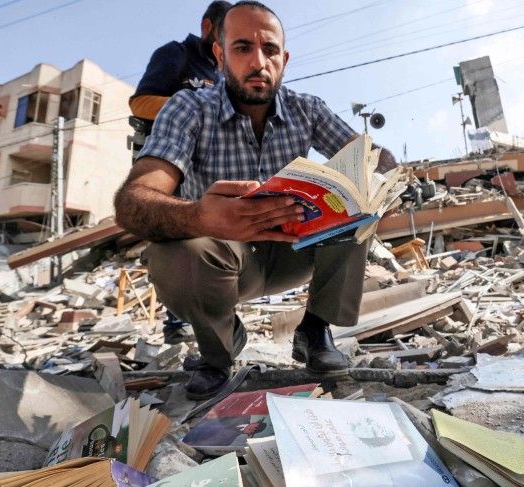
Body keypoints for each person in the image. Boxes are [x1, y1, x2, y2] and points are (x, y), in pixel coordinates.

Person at [114, 1, 395, 400]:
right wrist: (200, 217)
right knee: (174, 255)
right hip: (224, 258)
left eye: (270, 50)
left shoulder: (307, 109)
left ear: (285, 58)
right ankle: (220, 351)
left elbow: (374, 156)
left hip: (295, 249)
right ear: (219, 54)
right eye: (242, 48)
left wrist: (383, 177)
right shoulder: (188, 109)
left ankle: (315, 332)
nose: (258, 62)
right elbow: (134, 200)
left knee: (360, 207)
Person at [129, 1, 232, 344]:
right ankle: (177, 325)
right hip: (167, 160)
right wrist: (191, 107)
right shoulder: (176, 53)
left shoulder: (219, 71)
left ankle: (211, 317)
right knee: (175, 235)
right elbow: (140, 102)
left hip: (204, 162)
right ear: (207, 27)